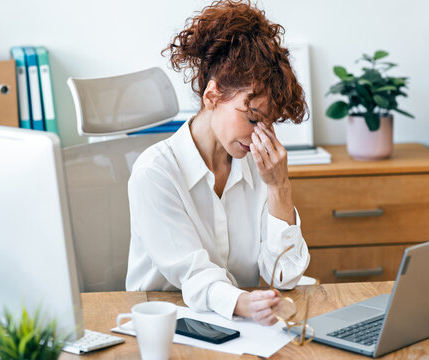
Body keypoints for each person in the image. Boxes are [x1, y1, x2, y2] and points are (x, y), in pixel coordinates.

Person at [126, 0, 310, 326]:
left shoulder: (258, 166)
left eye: (269, 123)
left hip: (239, 328)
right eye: (252, 118)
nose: (260, 136)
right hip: (167, 328)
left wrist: (279, 187)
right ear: (212, 96)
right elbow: (194, 274)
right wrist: (244, 303)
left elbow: (283, 276)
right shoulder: (155, 173)